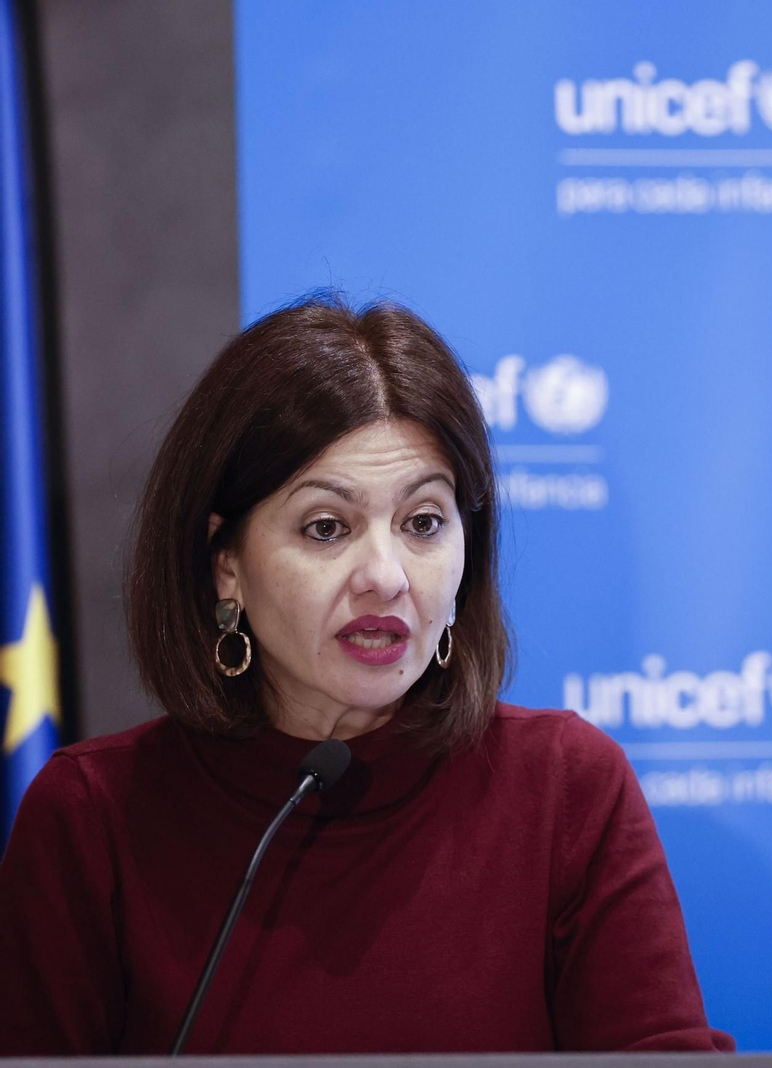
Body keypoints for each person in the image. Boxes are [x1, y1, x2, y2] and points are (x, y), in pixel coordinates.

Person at [0, 296, 733, 1055]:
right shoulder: (91, 822)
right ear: (228, 568)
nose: (385, 577)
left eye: (422, 523)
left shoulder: (567, 792)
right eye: (327, 528)